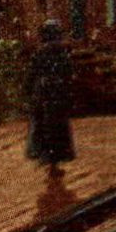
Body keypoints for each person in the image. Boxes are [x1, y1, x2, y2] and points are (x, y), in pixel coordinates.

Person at [25, 20, 76, 172]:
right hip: (57, 94)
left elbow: (31, 75)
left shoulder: (40, 53)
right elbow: (68, 75)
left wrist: (31, 92)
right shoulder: (62, 53)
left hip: (43, 94)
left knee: (44, 127)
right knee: (57, 128)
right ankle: (54, 162)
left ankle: (47, 158)